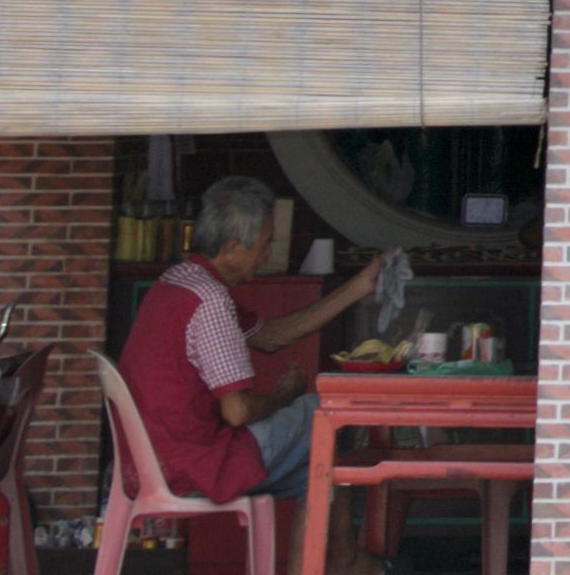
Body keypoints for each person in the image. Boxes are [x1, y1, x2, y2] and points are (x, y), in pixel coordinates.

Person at [119, 175, 383, 512]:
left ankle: (340, 562)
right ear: (231, 249)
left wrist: (360, 285)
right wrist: (283, 397)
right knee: (321, 412)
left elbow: (270, 337)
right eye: (266, 243)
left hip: (149, 459)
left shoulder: (178, 280)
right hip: (190, 465)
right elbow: (238, 412)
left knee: (316, 469)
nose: (268, 254)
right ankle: (346, 560)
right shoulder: (210, 300)